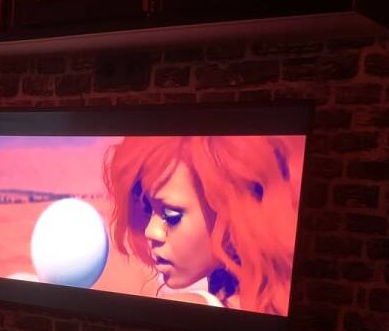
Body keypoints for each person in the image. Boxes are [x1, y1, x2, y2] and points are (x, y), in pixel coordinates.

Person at [103, 135, 302, 315]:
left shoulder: (185, 310)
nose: (150, 231)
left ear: (230, 215)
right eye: (148, 209)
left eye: (171, 215)